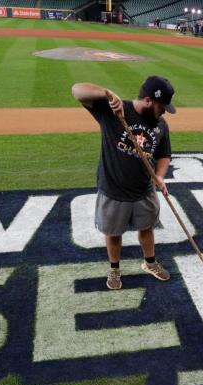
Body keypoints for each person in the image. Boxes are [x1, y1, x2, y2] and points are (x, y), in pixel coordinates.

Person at [71, 76, 176, 290]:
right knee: (113, 233)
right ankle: (115, 269)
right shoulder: (113, 110)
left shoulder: (161, 125)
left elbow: (164, 154)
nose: (163, 111)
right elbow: (77, 90)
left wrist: (160, 176)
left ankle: (150, 263)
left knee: (147, 228)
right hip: (113, 190)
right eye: (161, 106)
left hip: (144, 191)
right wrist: (106, 93)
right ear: (148, 100)